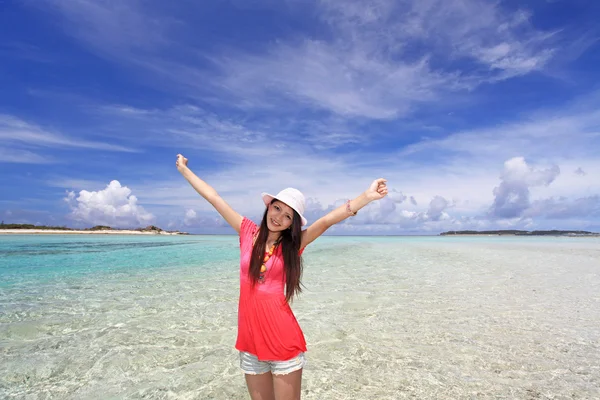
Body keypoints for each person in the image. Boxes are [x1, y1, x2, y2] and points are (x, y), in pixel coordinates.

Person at [176, 154, 388, 400]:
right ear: (269, 206)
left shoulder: (293, 245)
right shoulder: (248, 233)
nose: (278, 217)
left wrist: (367, 197)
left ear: (292, 224)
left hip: (283, 343)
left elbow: (327, 221)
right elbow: (214, 198)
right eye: (277, 208)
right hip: (250, 343)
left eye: (288, 216)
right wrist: (184, 170)